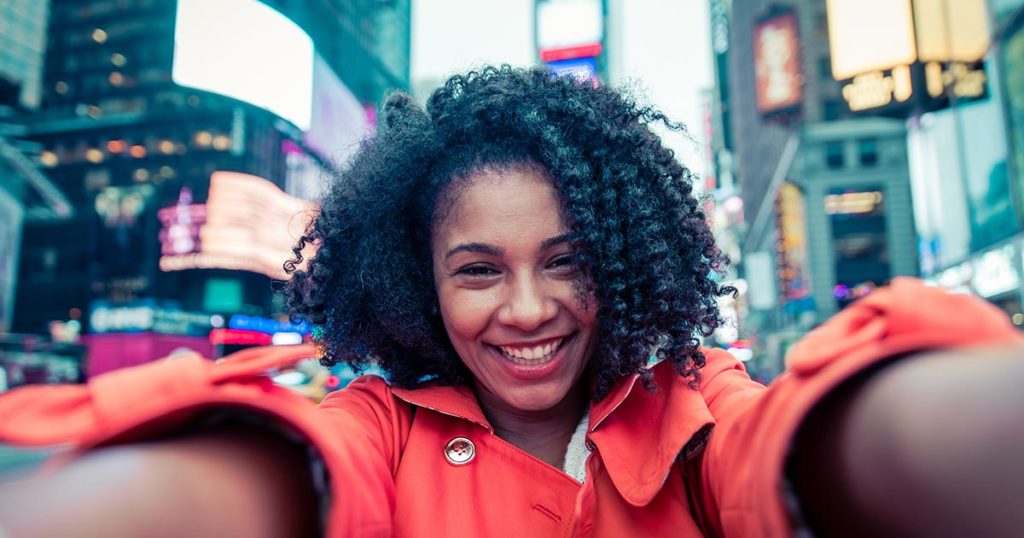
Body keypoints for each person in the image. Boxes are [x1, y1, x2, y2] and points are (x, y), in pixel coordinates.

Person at [1, 66, 1023, 537]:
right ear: (418, 282)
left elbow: (798, 438)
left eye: (566, 261)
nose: (527, 309)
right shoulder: (375, 428)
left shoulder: (693, 404)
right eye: (479, 269)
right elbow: (279, 474)